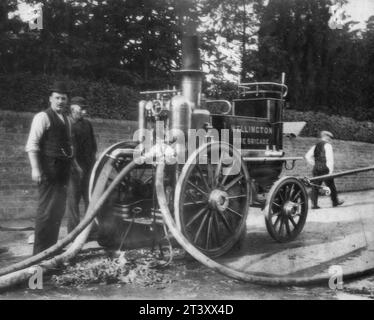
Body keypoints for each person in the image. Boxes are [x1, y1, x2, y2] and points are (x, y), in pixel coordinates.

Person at [25, 81, 75, 254]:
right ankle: (38, 254)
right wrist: (35, 169)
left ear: (67, 101)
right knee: (46, 213)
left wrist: (74, 165)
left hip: (63, 173)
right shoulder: (42, 117)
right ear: (50, 99)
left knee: (57, 212)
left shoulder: (67, 120)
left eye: (63, 98)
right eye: (57, 98)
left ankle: (51, 251)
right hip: (48, 171)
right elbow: (32, 145)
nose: (60, 101)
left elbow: (69, 146)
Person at [66, 97, 97, 234]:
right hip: (74, 169)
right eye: (81, 108)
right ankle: (73, 234)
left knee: (90, 198)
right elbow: (68, 149)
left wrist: (94, 164)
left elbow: (93, 145)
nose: (84, 111)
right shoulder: (67, 124)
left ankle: (91, 230)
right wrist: (77, 167)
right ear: (72, 108)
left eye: (85, 108)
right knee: (73, 202)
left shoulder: (87, 124)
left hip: (89, 167)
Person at [305, 130, 344, 209]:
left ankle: (314, 204)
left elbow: (307, 156)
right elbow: (330, 159)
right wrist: (330, 171)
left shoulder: (315, 146)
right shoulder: (328, 145)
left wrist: (315, 164)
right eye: (329, 137)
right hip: (325, 169)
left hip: (316, 168)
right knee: (331, 186)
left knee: (315, 186)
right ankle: (335, 202)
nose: (330, 139)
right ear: (326, 137)